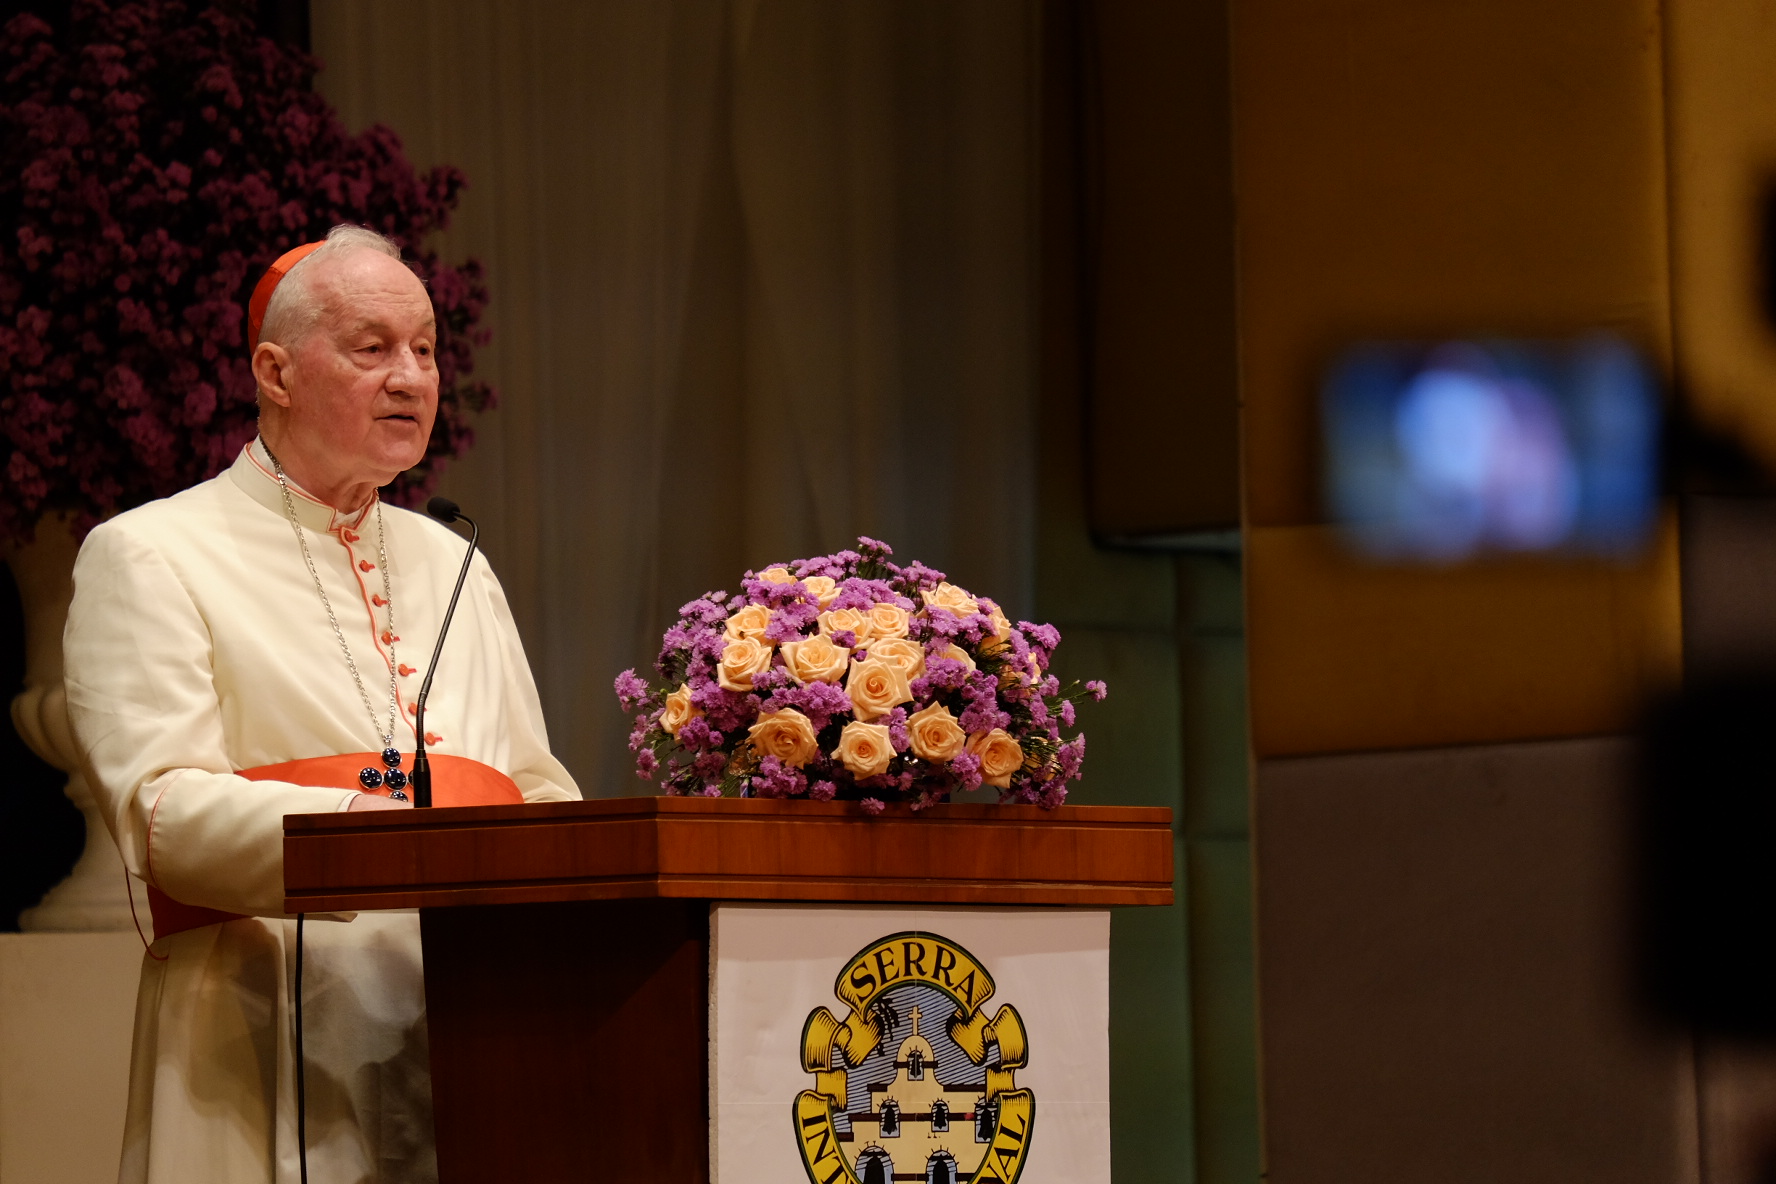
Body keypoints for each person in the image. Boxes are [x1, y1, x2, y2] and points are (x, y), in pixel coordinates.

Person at [62, 224, 581, 1184]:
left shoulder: (453, 558)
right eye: (372, 347)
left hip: (478, 1023)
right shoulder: (151, 551)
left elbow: (536, 789)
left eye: (425, 349)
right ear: (275, 371)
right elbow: (161, 810)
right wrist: (379, 835)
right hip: (258, 1032)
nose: (412, 377)